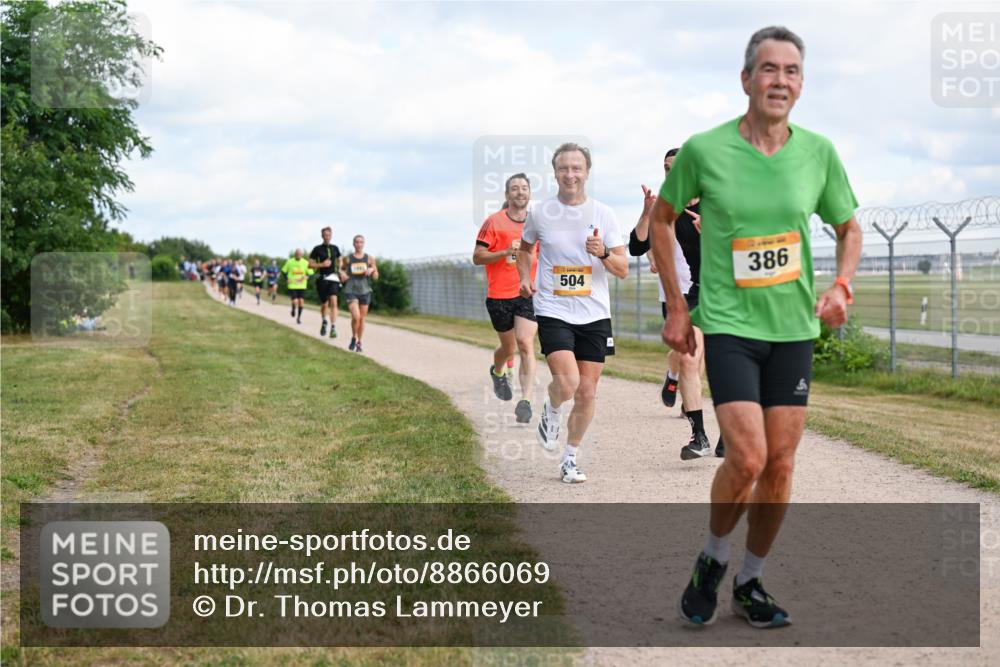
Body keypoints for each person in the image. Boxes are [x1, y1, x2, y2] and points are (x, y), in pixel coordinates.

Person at [649, 26, 861, 628]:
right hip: (731, 326)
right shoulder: (705, 150)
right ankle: (714, 558)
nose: (780, 80)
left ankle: (750, 581)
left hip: (793, 330)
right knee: (746, 457)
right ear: (746, 80)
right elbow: (661, 220)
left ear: (801, 83)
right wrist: (677, 304)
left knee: (782, 466)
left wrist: (842, 285)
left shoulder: (817, 153)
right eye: (769, 69)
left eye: (792, 70)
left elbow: (850, 228)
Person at [518, 143, 628, 484]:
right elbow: (524, 248)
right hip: (553, 308)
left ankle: (570, 458)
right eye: (564, 168)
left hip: (594, 313)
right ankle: (552, 409)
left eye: (576, 168)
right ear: (555, 173)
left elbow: (622, 268)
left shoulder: (604, 214)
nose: (570, 174)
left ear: (587, 172)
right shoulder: (540, 213)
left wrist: (604, 252)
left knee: (587, 392)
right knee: (567, 384)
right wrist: (524, 276)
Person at [630, 149, 721, 460]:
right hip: (695, 293)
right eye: (667, 169)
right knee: (688, 359)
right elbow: (636, 245)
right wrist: (647, 212)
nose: (672, 174)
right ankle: (699, 436)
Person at [473, 173, 539, 423]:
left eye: (524, 188)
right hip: (499, 295)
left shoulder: (537, 223)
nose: (520, 192)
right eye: (514, 188)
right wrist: (504, 252)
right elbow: (477, 256)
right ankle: (498, 370)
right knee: (508, 348)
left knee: (525, 343)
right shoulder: (494, 222)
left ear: (529, 193)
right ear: (506, 194)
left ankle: (526, 401)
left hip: (527, 293)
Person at [341, 235, 379, 353]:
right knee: (356, 317)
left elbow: (376, 277)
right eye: (356, 242)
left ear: (364, 244)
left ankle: (359, 342)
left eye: (361, 242)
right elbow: (341, 269)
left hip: (365, 290)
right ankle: (353, 337)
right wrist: (342, 274)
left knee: (362, 319)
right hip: (351, 289)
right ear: (353, 244)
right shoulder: (348, 259)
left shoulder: (370, 259)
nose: (359, 244)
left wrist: (372, 270)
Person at [309, 227, 342, 338]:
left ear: (331, 235)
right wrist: (321, 265)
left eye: (329, 235)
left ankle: (333, 327)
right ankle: (324, 321)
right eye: (325, 235)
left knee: (334, 301)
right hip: (322, 278)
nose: (327, 237)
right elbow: (310, 264)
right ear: (322, 236)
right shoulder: (317, 249)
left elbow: (340, 259)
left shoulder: (335, 248)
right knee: (325, 304)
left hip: (333, 278)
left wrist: (340, 268)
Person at [281, 249, 313, 324]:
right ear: (295, 254)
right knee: (295, 301)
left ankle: (298, 318)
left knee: (301, 302)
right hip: (292, 285)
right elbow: (283, 272)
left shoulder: (305, 262)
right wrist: (286, 279)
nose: (298, 255)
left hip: (302, 286)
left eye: (299, 254)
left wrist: (307, 277)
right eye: (297, 254)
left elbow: (311, 274)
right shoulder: (289, 262)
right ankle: (293, 309)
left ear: (302, 255)